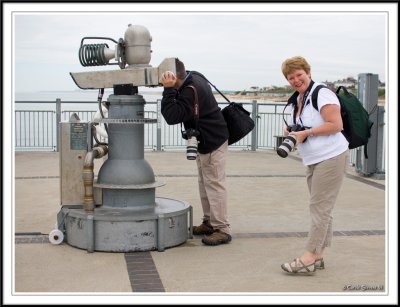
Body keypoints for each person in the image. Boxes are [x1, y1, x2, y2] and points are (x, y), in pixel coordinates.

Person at [280, 56, 349, 274]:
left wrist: (306, 133)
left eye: (299, 75)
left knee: (319, 209)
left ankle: (309, 257)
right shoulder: (297, 99)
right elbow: (306, 123)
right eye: (291, 78)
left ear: (308, 72)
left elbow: (336, 124)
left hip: (331, 157)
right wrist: (291, 131)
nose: (296, 80)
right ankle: (318, 255)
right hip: (313, 160)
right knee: (322, 209)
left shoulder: (322, 93)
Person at [159, 58, 232, 246]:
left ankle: (222, 228)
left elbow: (172, 116)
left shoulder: (190, 89)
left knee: (214, 184)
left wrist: (168, 90)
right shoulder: (192, 78)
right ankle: (209, 222)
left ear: (172, 76)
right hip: (206, 139)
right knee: (205, 183)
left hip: (212, 140)